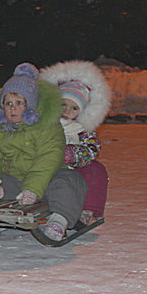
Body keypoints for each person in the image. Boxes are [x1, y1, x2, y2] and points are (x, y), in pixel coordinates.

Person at [0, 62, 88, 242]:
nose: (12, 108)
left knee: (70, 182)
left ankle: (59, 221)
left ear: (31, 106)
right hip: (14, 181)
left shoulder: (49, 127)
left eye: (19, 103)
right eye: (8, 103)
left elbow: (48, 159)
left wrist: (33, 189)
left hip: (45, 183)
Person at [40, 60, 111, 225]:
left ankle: (88, 209)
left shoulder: (82, 130)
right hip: (44, 167)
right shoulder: (45, 123)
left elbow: (92, 149)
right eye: (63, 105)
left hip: (73, 168)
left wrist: (71, 154)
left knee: (96, 170)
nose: (67, 111)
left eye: (74, 108)